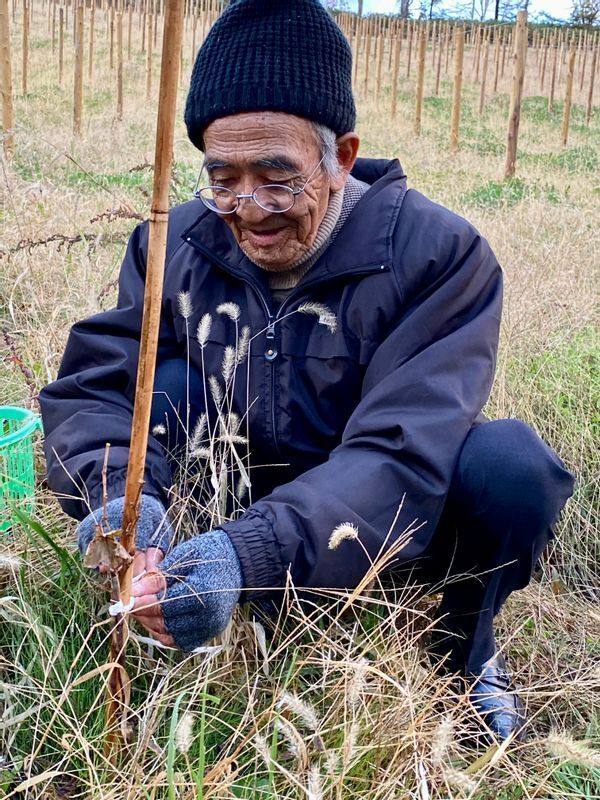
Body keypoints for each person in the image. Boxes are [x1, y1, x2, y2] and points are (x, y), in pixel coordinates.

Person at [39, 0, 574, 743]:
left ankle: (461, 654)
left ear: (343, 156)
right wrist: (117, 504)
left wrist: (250, 551)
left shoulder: (441, 258)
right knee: (165, 388)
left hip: (383, 519)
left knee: (510, 469)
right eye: (222, 177)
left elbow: (399, 451)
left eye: (277, 177)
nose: (247, 209)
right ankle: (191, 595)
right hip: (234, 490)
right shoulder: (175, 241)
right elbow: (104, 383)